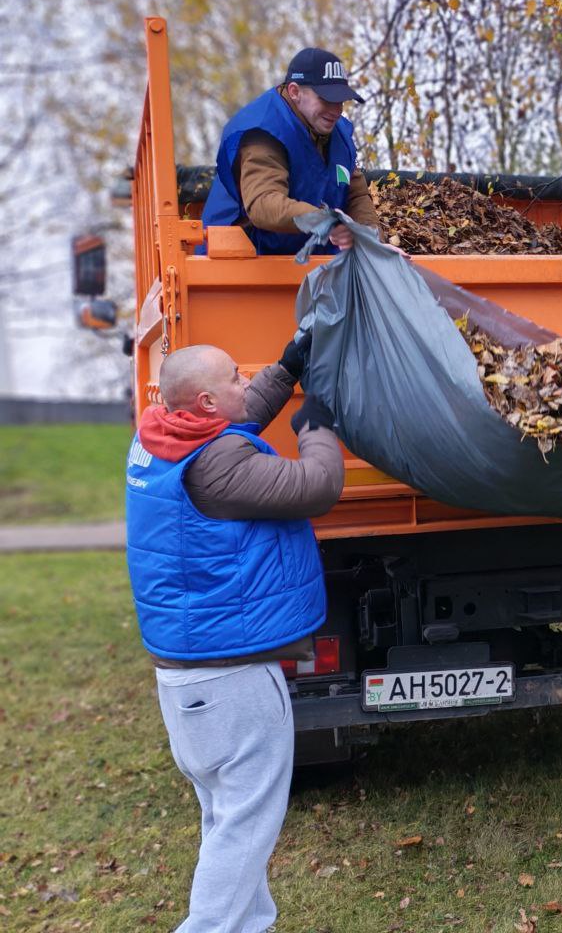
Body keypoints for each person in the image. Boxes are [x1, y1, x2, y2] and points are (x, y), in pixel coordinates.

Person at [124, 337, 345, 932]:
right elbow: (318, 486)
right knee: (245, 829)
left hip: (190, 684)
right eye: (234, 378)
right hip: (233, 684)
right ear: (204, 401)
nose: (247, 382)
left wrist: (291, 364)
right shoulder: (217, 468)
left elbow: (236, 419)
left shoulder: (159, 436)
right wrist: (318, 424)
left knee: (227, 822)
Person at [201, 47, 380, 255]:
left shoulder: (336, 132)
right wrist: (325, 221)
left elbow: (355, 194)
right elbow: (263, 204)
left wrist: (371, 240)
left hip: (305, 263)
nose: (336, 110)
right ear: (295, 92)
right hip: (238, 268)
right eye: (326, 99)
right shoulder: (264, 132)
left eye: (340, 100)